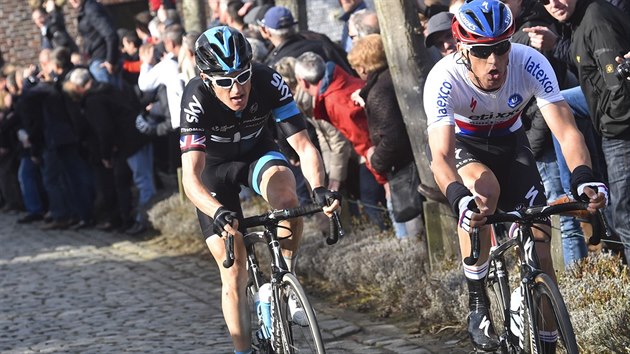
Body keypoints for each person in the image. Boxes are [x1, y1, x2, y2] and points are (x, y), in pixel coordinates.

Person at [424, 0, 607, 351]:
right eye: (482, 51)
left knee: (540, 251)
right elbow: (440, 158)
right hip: (467, 148)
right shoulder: (444, 78)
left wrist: (583, 176)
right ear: (463, 48)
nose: (494, 61)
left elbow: (566, 130)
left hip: (512, 143)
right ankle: (478, 302)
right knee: (485, 191)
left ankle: (549, 341)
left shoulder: (529, 62)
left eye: (501, 48)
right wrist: (458, 197)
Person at [179, 26, 340, 354]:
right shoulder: (195, 98)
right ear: (207, 79)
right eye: (224, 81)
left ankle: (285, 280)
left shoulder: (268, 81)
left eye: (242, 76)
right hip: (213, 173)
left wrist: (321, 189)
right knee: (233, 265)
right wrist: (217, 212)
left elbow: (304, 146)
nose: (236, 88)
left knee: (288, 197)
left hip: (256, 154)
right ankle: (243, 350)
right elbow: (190, 179)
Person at [540, 0, 630, 263]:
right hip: (611, 127)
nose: (554, 3)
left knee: (624, 217)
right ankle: (578, 188)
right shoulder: (578, 22)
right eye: (545, 1)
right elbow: (589, 66)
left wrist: (610, 130)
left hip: (619, 131)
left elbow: (619, 86)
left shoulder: (595, 17)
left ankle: (576, 190)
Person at [295, 51, 388, 230]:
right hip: (370, 151)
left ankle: (392, 235)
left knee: (370, 198)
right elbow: (326, 137)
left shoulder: (333, 101)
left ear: (303, 81)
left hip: (372, 154)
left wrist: (381, 177)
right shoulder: (335, 84)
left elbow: (357, 140)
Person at [348, 34, 423, 239]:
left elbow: (392, 136)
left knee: (413, 230)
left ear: (363, 68)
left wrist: (376, 160)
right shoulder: (389, 80)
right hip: (413, 162)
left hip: (405, 169)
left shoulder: (379, 91)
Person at [68, 0, 119, 86]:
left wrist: (110, 60)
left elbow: (111, 35)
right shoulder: (87, 9)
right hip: (99, 60)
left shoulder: (91, 9)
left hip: (102, 62)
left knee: (110, 97)